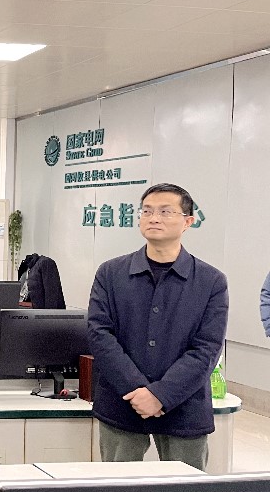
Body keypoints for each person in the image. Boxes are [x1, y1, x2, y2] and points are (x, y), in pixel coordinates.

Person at [87, 183, 228, 471]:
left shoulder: (211, 281)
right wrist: (137, 391)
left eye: (165, 212)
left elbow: (207, 348)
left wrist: (160, 395)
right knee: (117, 489)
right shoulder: (111, 273)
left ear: (188, 221)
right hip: (123, 401)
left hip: (184, 405)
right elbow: (100, 334)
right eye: (147, 211)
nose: (154, 218)